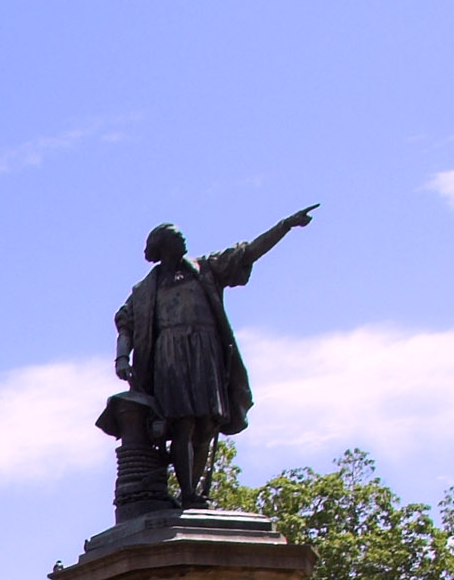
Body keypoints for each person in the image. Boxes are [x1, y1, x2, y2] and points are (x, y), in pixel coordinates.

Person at [101, 206, 316, 511]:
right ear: (162, 247)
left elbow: (247, 253)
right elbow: (125, 323)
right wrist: (122, 358)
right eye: (177, 238)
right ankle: (188, 491)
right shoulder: (145, 290)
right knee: (183, 424)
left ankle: (192, 493)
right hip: (170, 356)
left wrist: (285, 225)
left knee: (206, 424)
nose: (184, 241)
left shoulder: (206, 269)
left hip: (205, 351)